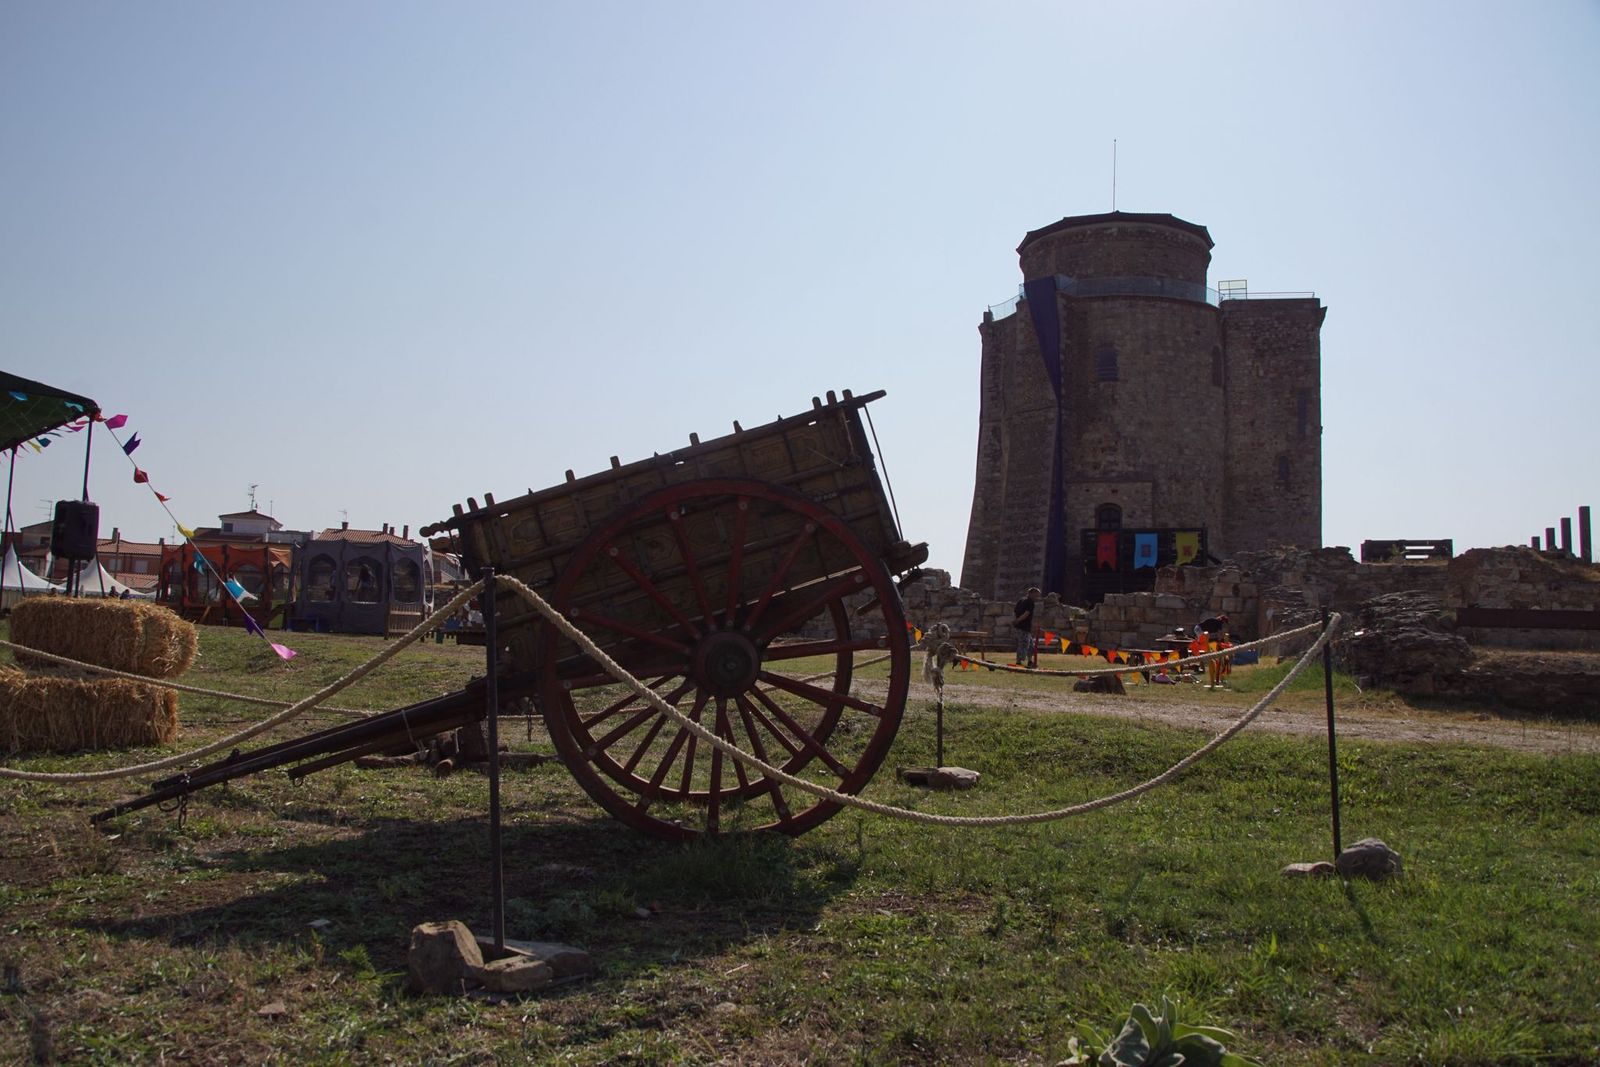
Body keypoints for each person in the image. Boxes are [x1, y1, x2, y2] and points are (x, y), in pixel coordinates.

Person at [1013, 586, 1040, 666]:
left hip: (1025, 627)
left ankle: (1030, 661)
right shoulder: (1030, 602)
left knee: (1031, 645)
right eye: (1037, 595)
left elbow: (1015, 611)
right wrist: (1017, 621)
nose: (1037, 597)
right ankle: (1019, 662)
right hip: (1023, 627)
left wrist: (1016, 620)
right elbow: (1026, 614)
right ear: (1032, 593)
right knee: (1023, 644)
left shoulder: (1021, 600)